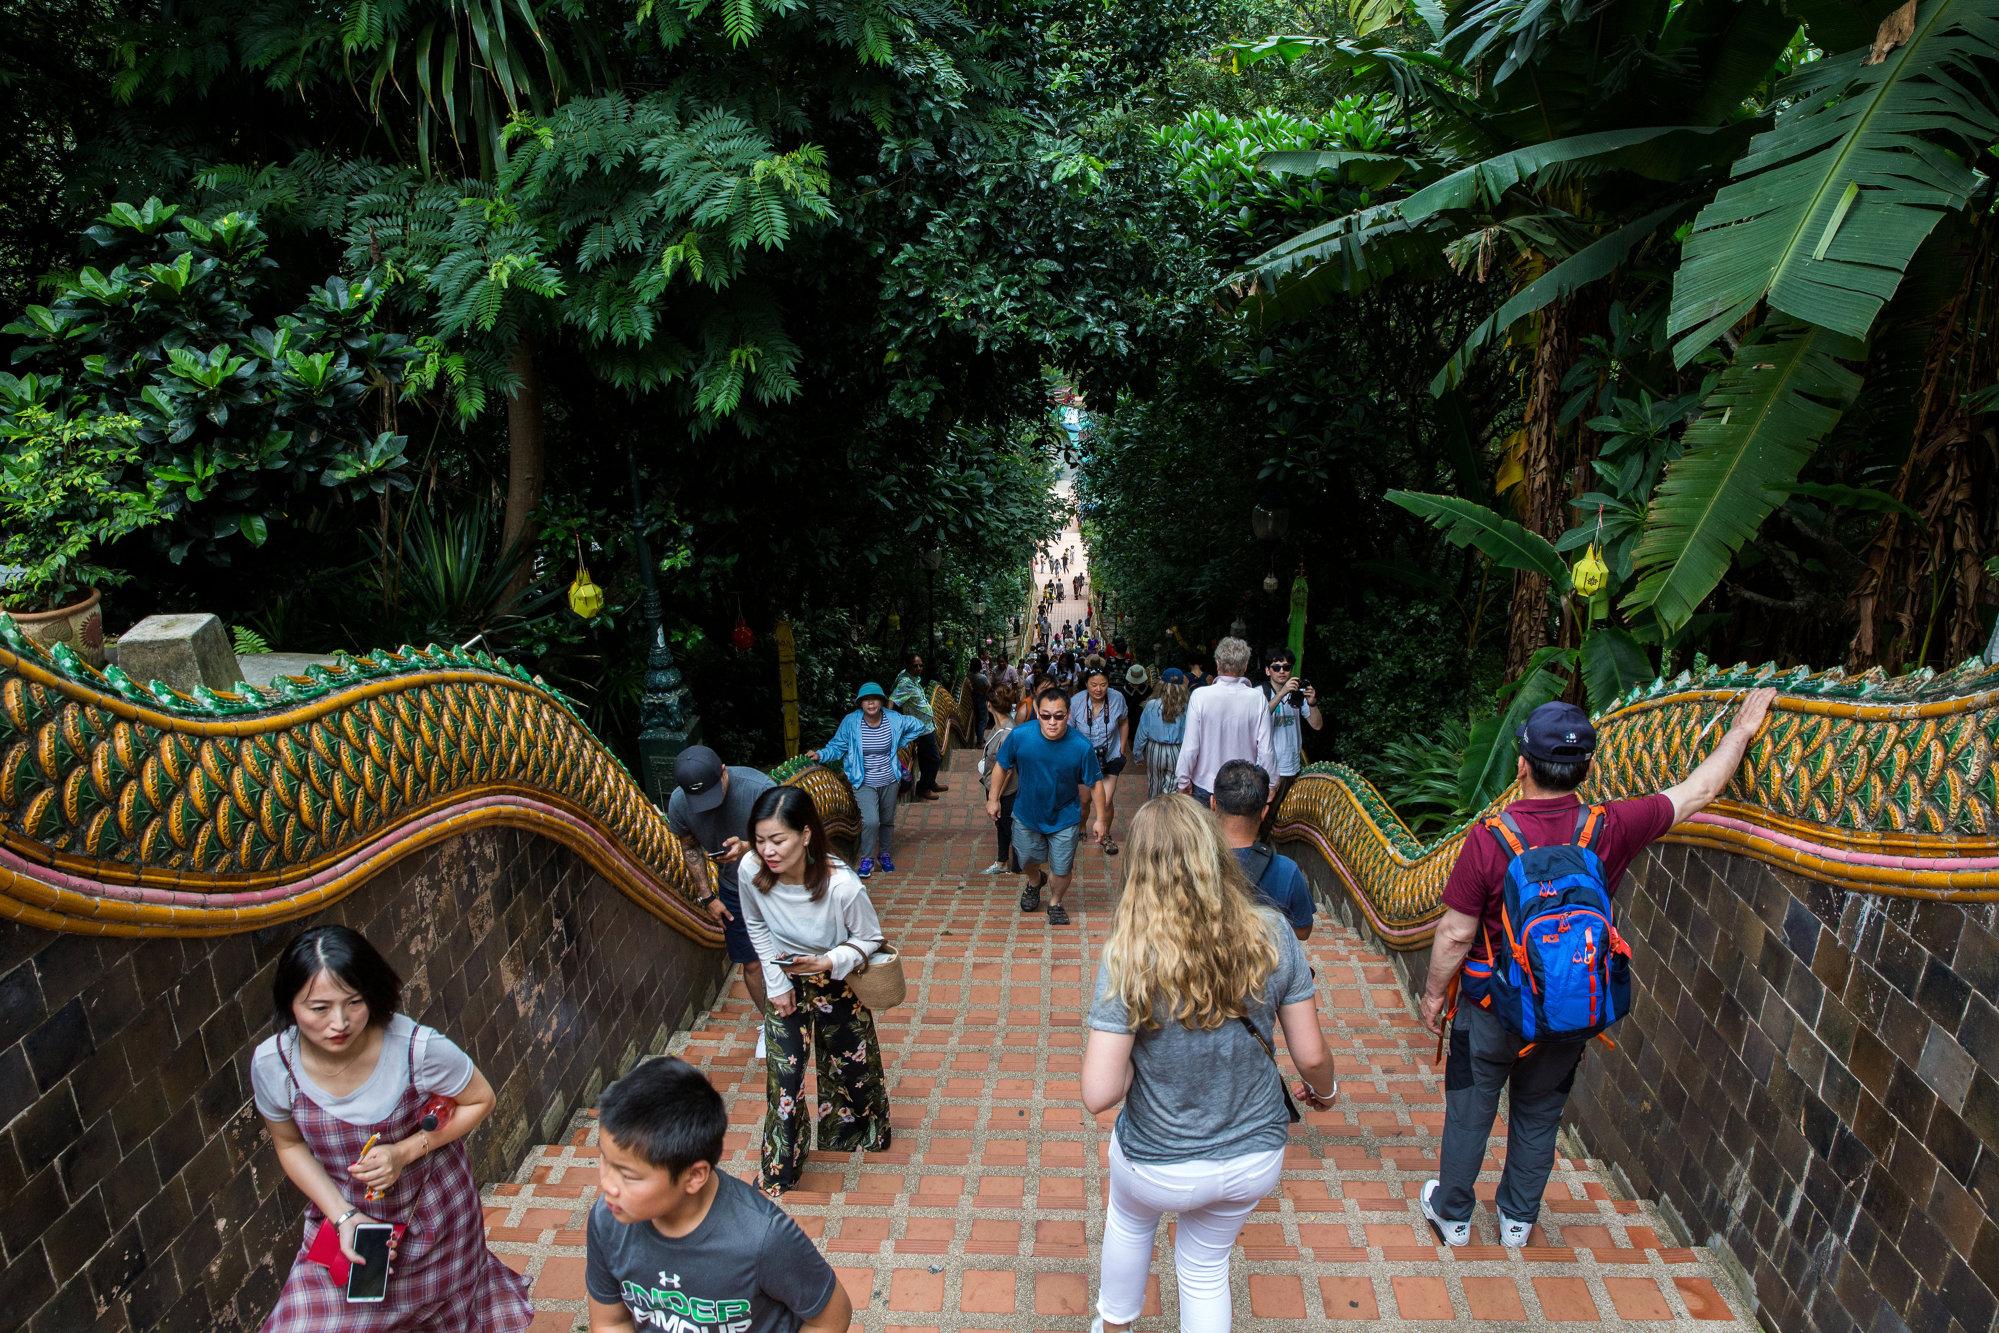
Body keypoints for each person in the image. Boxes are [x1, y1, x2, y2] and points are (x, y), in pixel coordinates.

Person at [1417, 691, 1778, 1249]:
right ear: (1588, 767)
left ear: (1521, 765)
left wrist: (1434, 996)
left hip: (1490, 1008)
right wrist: (1742, 730)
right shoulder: (1611, 828)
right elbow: (1701, 790)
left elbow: (1456, 933)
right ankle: (1516, 1222)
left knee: (1470, 1108)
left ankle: (1454, 1217)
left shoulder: (1489, 839)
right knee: (1539, 1114)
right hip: (1567, 1005)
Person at [1082, 797, 1337, 1333]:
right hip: (1253, 1156)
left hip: (1158, 1159)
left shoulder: (1128, 955)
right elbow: (1310, 1055)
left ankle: (1113, 1325)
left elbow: (1099, 1093)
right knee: (1203, 1267)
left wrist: (1138, 1068)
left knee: (1129, 1221)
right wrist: (1328, 1093)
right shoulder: (1273, 931)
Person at [253, 926, 533, 1332]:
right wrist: (344, 1216)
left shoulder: (417, 1049)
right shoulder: (274, 1065)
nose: (340, 1022)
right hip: (346, 1223)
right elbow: (289, 1145)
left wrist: (405, 1151)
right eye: (318, 1008)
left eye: (354, 1002)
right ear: (290, 1004)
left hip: (434, 1225)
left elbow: (481, 1099)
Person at [585, 1057, 852, 1333]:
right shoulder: (607, 1220)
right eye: (605, 1159)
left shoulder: (764, 1238)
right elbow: (611, 1320)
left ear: (694, 1175)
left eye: (628, 1176)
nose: (608, 1184)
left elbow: (831, 1317)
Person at [739, 785, 892, 1193]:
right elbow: (755, 923)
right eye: (759, 841)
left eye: (777, 840)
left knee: (851, 1066)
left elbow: (870, 938)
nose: (767, 851)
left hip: (836, 981)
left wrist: (828, 961)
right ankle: (779, 1169)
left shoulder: (843, 885)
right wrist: (777, 983)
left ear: (805, 835)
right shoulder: (750, 871)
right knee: (784, 1079)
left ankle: (857, 1131)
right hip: (785, 979)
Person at [669, 745, 776, 1056]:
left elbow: (792, 839)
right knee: (751, 961)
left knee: (792, 950)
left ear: (724, 771)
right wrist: (707, 897)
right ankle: (770, 1023)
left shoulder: (760, 789)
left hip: (773, 883)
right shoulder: (679, 803)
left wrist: (747, 848)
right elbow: (690, 847)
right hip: (732, 890)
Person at [988, 683, 1108, 927]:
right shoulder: (1020, 736)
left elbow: (1095, 784)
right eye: (1045, 716)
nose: (1052, 722)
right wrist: (993, 798)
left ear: (1068, 715)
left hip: (1065, 816)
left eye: (1058, 716)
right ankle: (1035, 881)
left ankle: (1055, 902)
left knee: (1062, 869)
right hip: (1026, 814)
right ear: (1037, 713)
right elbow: (1002, 765)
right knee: (1026, 861)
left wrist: (1100, 819)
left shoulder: (1081, 747)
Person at [808, 682, 926, 877]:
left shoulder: (894, 719)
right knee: (871, 821)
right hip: (863, 781)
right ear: (860, 703)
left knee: (887, 820)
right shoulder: (851, 722)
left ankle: (884, 855)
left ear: (881, 701)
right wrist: (820, 755)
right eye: (866, 700)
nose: (871, 703)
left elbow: (919, 725)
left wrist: (901, 742)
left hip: (890, 779)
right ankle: (867, 859)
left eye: (875, 698)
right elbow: (837, 746)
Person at [1209, 760, 1315, 939]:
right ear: (1264, 812)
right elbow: (1303, 931)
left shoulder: (1192, 863)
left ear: (1213, 804)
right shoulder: (1287, 871)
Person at [1174, 637, 1275, 806]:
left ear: (1218, 663)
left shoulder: (1200, 696)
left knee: (1204, 832)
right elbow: (1266, 750)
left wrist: (1183, 780)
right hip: (1242, 786)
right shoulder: (1258, 699)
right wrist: (1271, 783)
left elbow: (1190, 747)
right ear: (1245, 665)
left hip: (1205, 785)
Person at [1072, 666, 1131, 857]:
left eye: (1103, 684)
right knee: (1084, 800)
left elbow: (1123, 721)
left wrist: (1121, 750)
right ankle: (1082, 827)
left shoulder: (1117, 698)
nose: (1099, 689)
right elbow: (1070, 731)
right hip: (1083, 758)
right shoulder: (1076, 701)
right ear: (1086, 684)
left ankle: (1105, 835)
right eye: (1094, 685)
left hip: (1110, 756)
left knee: (1105, 801)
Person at [1260, 649, 1322, 819]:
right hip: (1267, 768)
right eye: (1276, 667)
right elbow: (1260, 719)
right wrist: (1282, 693)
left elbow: (1317, 725)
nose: (1282, 671)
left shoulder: (1298, 694)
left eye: (1286, 667)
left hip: (1291, 767)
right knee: (1263, 817)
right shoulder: (1259, 693)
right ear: (1267, 670)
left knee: (1284, 818)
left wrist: (1312, 703)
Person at [889, 651, 948, 800]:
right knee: (934, 758)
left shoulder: (910, 677)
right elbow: (892, 700)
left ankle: (931, 782)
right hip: (920, 728)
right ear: (907, 666)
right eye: (915, 666)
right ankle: (924, 788)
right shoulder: (905, 683)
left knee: (924, 757)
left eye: (921, 665)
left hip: (927, 725)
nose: (919, 668)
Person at [980, 683, 1021, 874]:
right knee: (1002, 826)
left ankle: (1019, 868)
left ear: (989, 705)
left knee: (1010, 828)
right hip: (998, 789)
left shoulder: (1007, 733)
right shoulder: (1001, 726)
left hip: (1007, 791)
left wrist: (995, 797)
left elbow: (1009, 770)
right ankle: (1002, 861)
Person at [1131, 668, 1189, 800]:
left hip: (1155, 749)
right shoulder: (1186, 707)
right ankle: (1169, 815)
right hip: (1177, 750)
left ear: (1161, 685)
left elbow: (1142, 732)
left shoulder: (1151, 705)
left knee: (1154, 784)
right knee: (1174, 787)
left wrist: (1137, 754)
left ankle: (1154, 813)